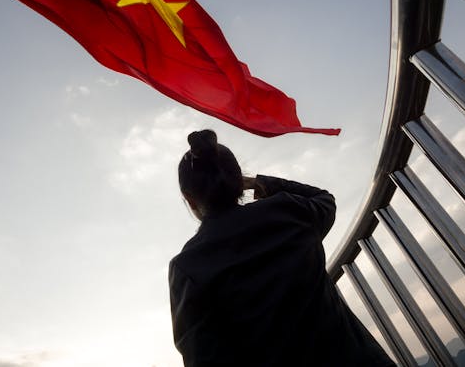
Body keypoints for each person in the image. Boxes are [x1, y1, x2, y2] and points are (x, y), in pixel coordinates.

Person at [169, 129, 395, 367]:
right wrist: (259, 182)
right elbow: (323, 199)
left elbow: (202, 357)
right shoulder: (288, 210)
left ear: (189, 198)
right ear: (238, 180)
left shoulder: (187, 267)